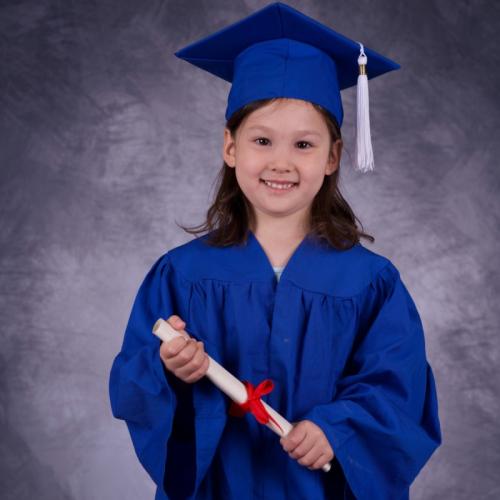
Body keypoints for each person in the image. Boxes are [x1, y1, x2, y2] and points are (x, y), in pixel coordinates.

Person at [108, 3, 442, 499]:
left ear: (332, 156)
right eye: (262, 140)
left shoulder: (370, 282)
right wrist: (169, 369)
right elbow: (131, 383)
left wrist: (337, 429)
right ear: (231, 147)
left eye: (303, 145)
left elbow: (399, 388)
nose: (281, 163)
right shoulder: (182, 275)